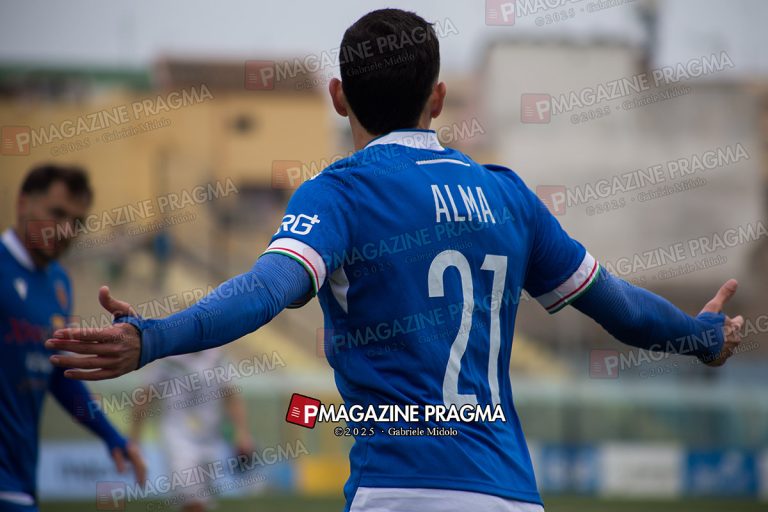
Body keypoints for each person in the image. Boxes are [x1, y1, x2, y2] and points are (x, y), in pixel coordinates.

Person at [46, 9, 744, 512]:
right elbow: (620, 310)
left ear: (338, 96)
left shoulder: (339, 195)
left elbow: (266, 289)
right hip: (510, 493)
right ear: (437, 98)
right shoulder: (508, 197)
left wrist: (152, 338)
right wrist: (704, 336)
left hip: (399, 490)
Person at [0, 164, 146, 512]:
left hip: (23, 474)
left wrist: (112, 436)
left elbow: (58, 373)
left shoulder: (59, 284)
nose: (66, 229)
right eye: (57, 213)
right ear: (23, 203)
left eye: (77, 223)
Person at [130, 350, 255, 512]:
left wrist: (242, 434)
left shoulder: (217, 356)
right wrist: (134, 438)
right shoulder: (168, 357)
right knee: (192, 499)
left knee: (201, 501)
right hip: (178, 437)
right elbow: (145, 396)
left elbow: (231, 396)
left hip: (210, 438)